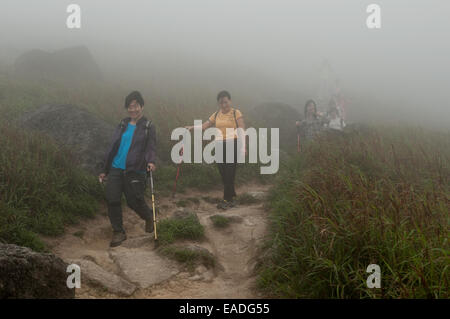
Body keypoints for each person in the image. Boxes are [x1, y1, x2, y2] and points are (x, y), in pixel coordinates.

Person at [98, 91, 157, 247]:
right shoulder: (123, 124)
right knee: (112, 199)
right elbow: (113, 146)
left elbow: (151, 147)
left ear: (142, 106)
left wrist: (151, 161)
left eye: (136, 106)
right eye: (130, 107)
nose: (133, 109)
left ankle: (149, 216)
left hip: (135, 169)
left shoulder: (148, 126)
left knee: (134, 201)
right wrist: (105, 169)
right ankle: (118, 232)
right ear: (127, 108)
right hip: (116, 167)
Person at [185, 90, 246, 210]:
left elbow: (242, 130)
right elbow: (204, 126)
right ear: (218, 104)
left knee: (229, 172)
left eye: (225, 102)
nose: (223, 105)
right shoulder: (216, 114)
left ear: (230, 101)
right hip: (219, 145)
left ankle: (225, 199)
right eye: (221, 103)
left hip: (232, 144)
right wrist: (192, 128)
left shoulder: (236, 113)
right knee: (223, 173)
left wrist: (244, 147)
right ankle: (233, 197)